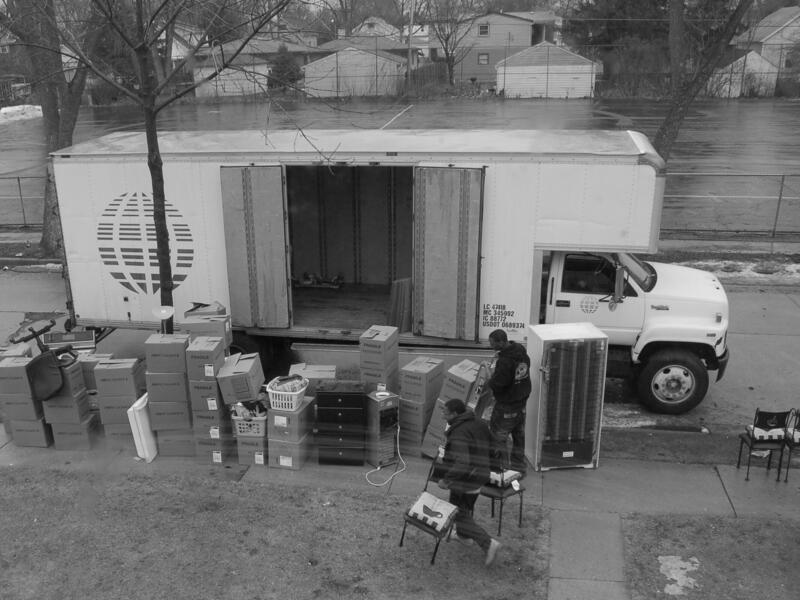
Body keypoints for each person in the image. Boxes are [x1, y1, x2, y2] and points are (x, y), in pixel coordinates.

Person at [436, 398, 501, 566]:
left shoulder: (458, 433)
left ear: (455, 414)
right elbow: (494, 445)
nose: (443, 415)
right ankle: (464, 537)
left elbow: (462, 462)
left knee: (459, 513)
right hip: (480, 475)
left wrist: (446, 480)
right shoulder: (478, 422)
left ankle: (488, 543)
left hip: (465, 479)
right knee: (464, 509)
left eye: (445, 412)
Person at [487, 329, 532, 475]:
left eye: (492, 343)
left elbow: (499, 383)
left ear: (501, 342)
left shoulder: (505, 361)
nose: (491, 345)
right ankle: (519, 468)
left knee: (499, 439)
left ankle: (503, 472)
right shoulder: (521, 352)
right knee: (519, 437)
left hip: (507, 406)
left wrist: (489, 378)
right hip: (521, 404)